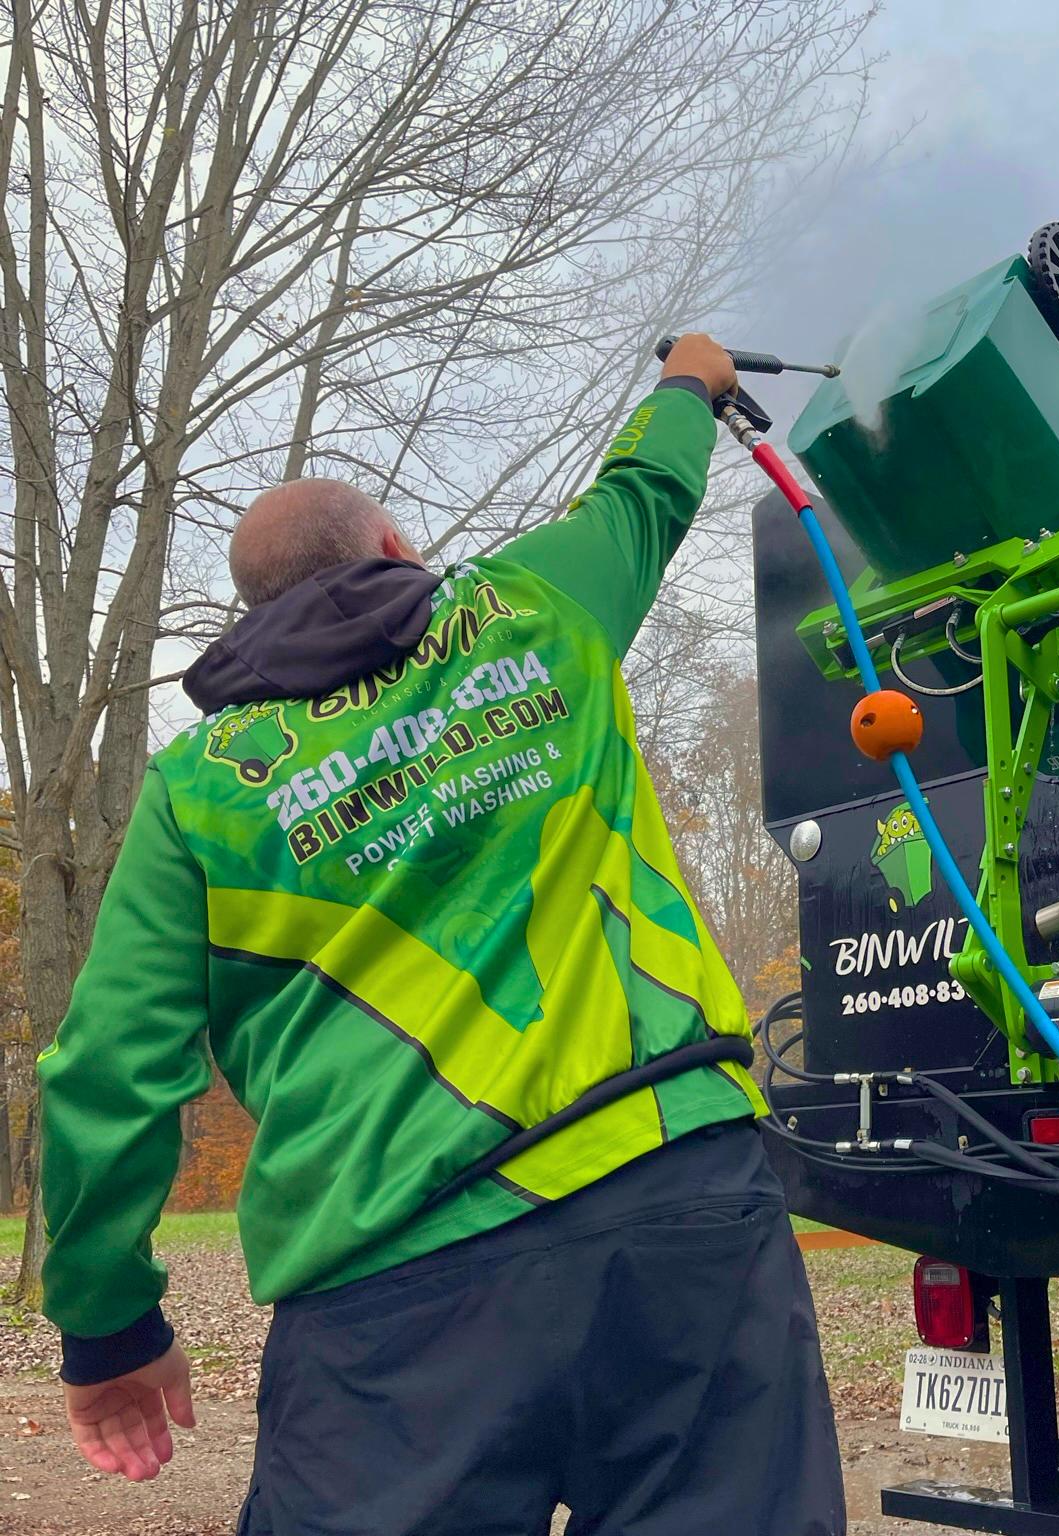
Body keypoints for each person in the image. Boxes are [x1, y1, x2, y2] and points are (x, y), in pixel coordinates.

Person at [38, 334, 846, 1536]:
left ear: (253, 609)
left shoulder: (201, 786)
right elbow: (647, 487)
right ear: (401, 552)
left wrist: (109, 1325)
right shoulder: (532, 607)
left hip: (393, 1302)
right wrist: (690, 381)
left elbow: (110, 1072)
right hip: (683, 1222)